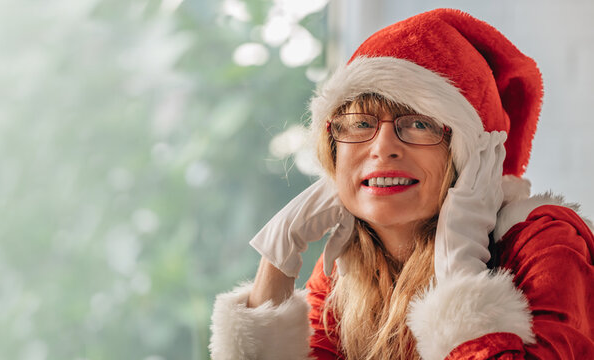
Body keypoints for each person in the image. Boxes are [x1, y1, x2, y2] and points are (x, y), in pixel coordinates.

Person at [208, 8, 594, 360]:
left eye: (419, 123)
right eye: (360, 124)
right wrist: (279, 253)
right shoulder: (347, 267)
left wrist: (459, 267)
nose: (383, 148)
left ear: (470, 157)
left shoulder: (545, 242)